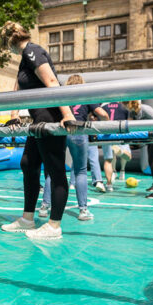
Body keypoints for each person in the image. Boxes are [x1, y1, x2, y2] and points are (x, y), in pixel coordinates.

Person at [0, 21, 77, 240]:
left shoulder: (32, 51)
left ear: (10, 41)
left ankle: (54, 226)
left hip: (50, 118)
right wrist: (13, 115)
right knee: (28, 163)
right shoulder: (25, 58)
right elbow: (17, 88)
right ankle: (27, 219)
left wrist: (67, 114)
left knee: (55, 170)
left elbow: (51, 81)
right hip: (37, 120)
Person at [39, 74, 96, 221]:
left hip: (62, 131)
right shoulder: (85, 95)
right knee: (81, 171)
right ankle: (83, 211)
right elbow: (101, 113)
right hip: (79, 132)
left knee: (54, 171)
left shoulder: (62, 94)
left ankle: (44, 207)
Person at [124, 100, 153, 199]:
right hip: (150, 139)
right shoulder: (132, 112)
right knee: (151, 161)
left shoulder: (145, 109)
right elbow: (130, 127)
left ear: (127, 104)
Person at [95, 102, 131, 191]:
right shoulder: (123, 106)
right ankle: (122, 170)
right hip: (120, 132)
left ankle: (109, 184)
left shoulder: (103, 106)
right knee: (128, 156)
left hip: (106, 133)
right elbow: (128, 121)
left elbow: (98, 118)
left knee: (108, 159)